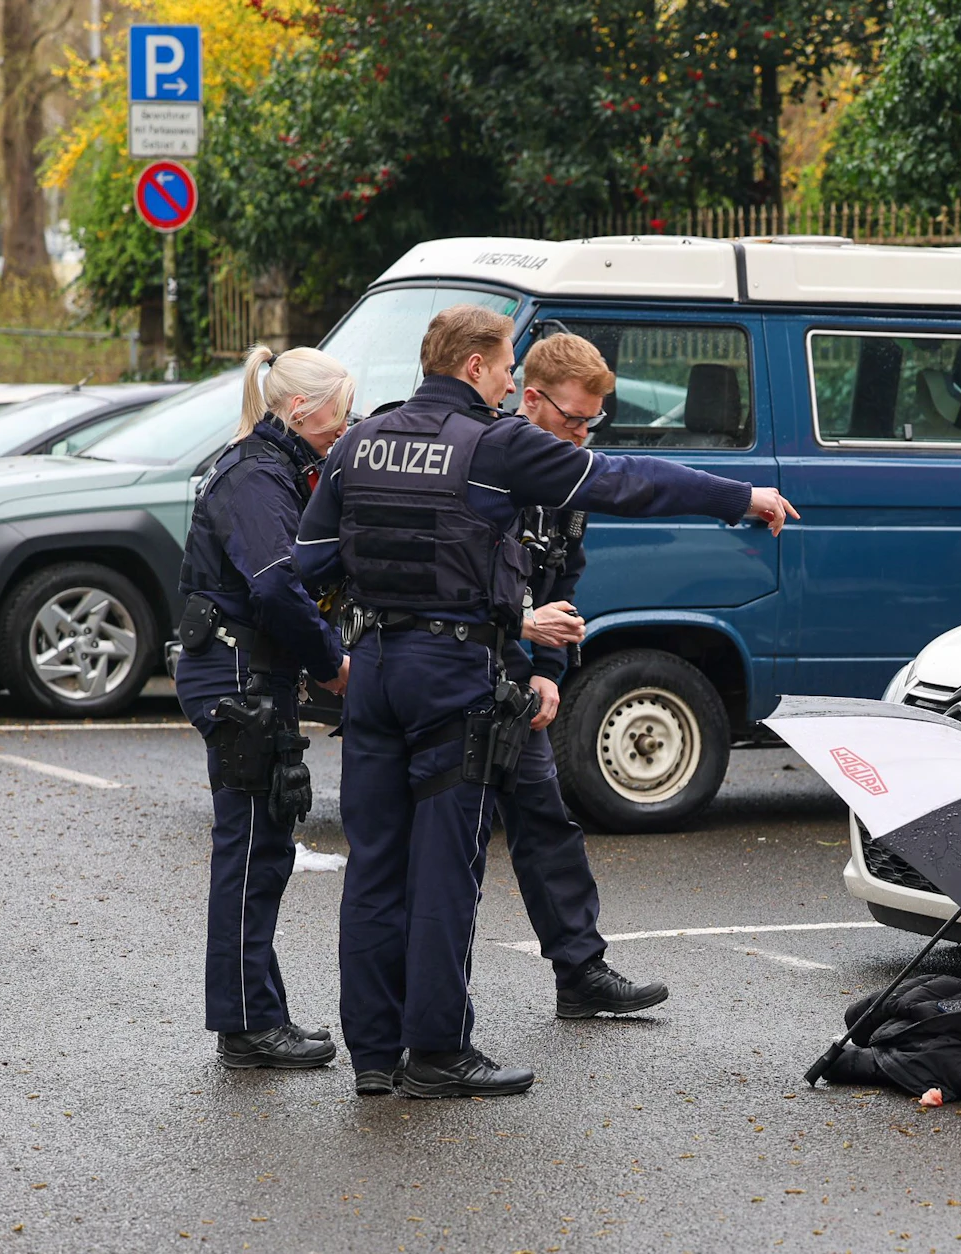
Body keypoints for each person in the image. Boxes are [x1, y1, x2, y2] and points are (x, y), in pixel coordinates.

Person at [296, 305, 797, 1099]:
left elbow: (310, 559)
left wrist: (352, 636)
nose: (509, 381)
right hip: (450, 674)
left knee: (375, 868)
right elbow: (629, 481)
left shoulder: (361, 440)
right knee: (445, 871)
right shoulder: (493, 445)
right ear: (471, 368)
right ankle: (437, 1053)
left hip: (375, 669)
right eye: (503, 368)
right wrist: (740, 497)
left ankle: (373, 1057)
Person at [176, 345, 354, 1070]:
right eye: (338, 416)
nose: (344, 430)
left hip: (238, 671)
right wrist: (333, 662)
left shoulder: (265, 463)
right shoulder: (256, 474)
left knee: (261, 847)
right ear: (301, 410)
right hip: (240, 677)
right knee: (253, 851)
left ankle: (256, 1014)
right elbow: (277, 585)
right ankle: (248, 1025)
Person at [501, 332, 681, 1019]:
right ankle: (428, 1021)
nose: (582, 436)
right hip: (460, 674)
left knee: (548, 825)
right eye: (573, 419)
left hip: (520, 682)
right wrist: (523, 628)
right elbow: (463, 585)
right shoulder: (494, 463)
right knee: (439, 857)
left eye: (592, 423)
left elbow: (562, 580)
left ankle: (581, 973)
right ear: (532, 399)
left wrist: (547, 672)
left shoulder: (567, 478)